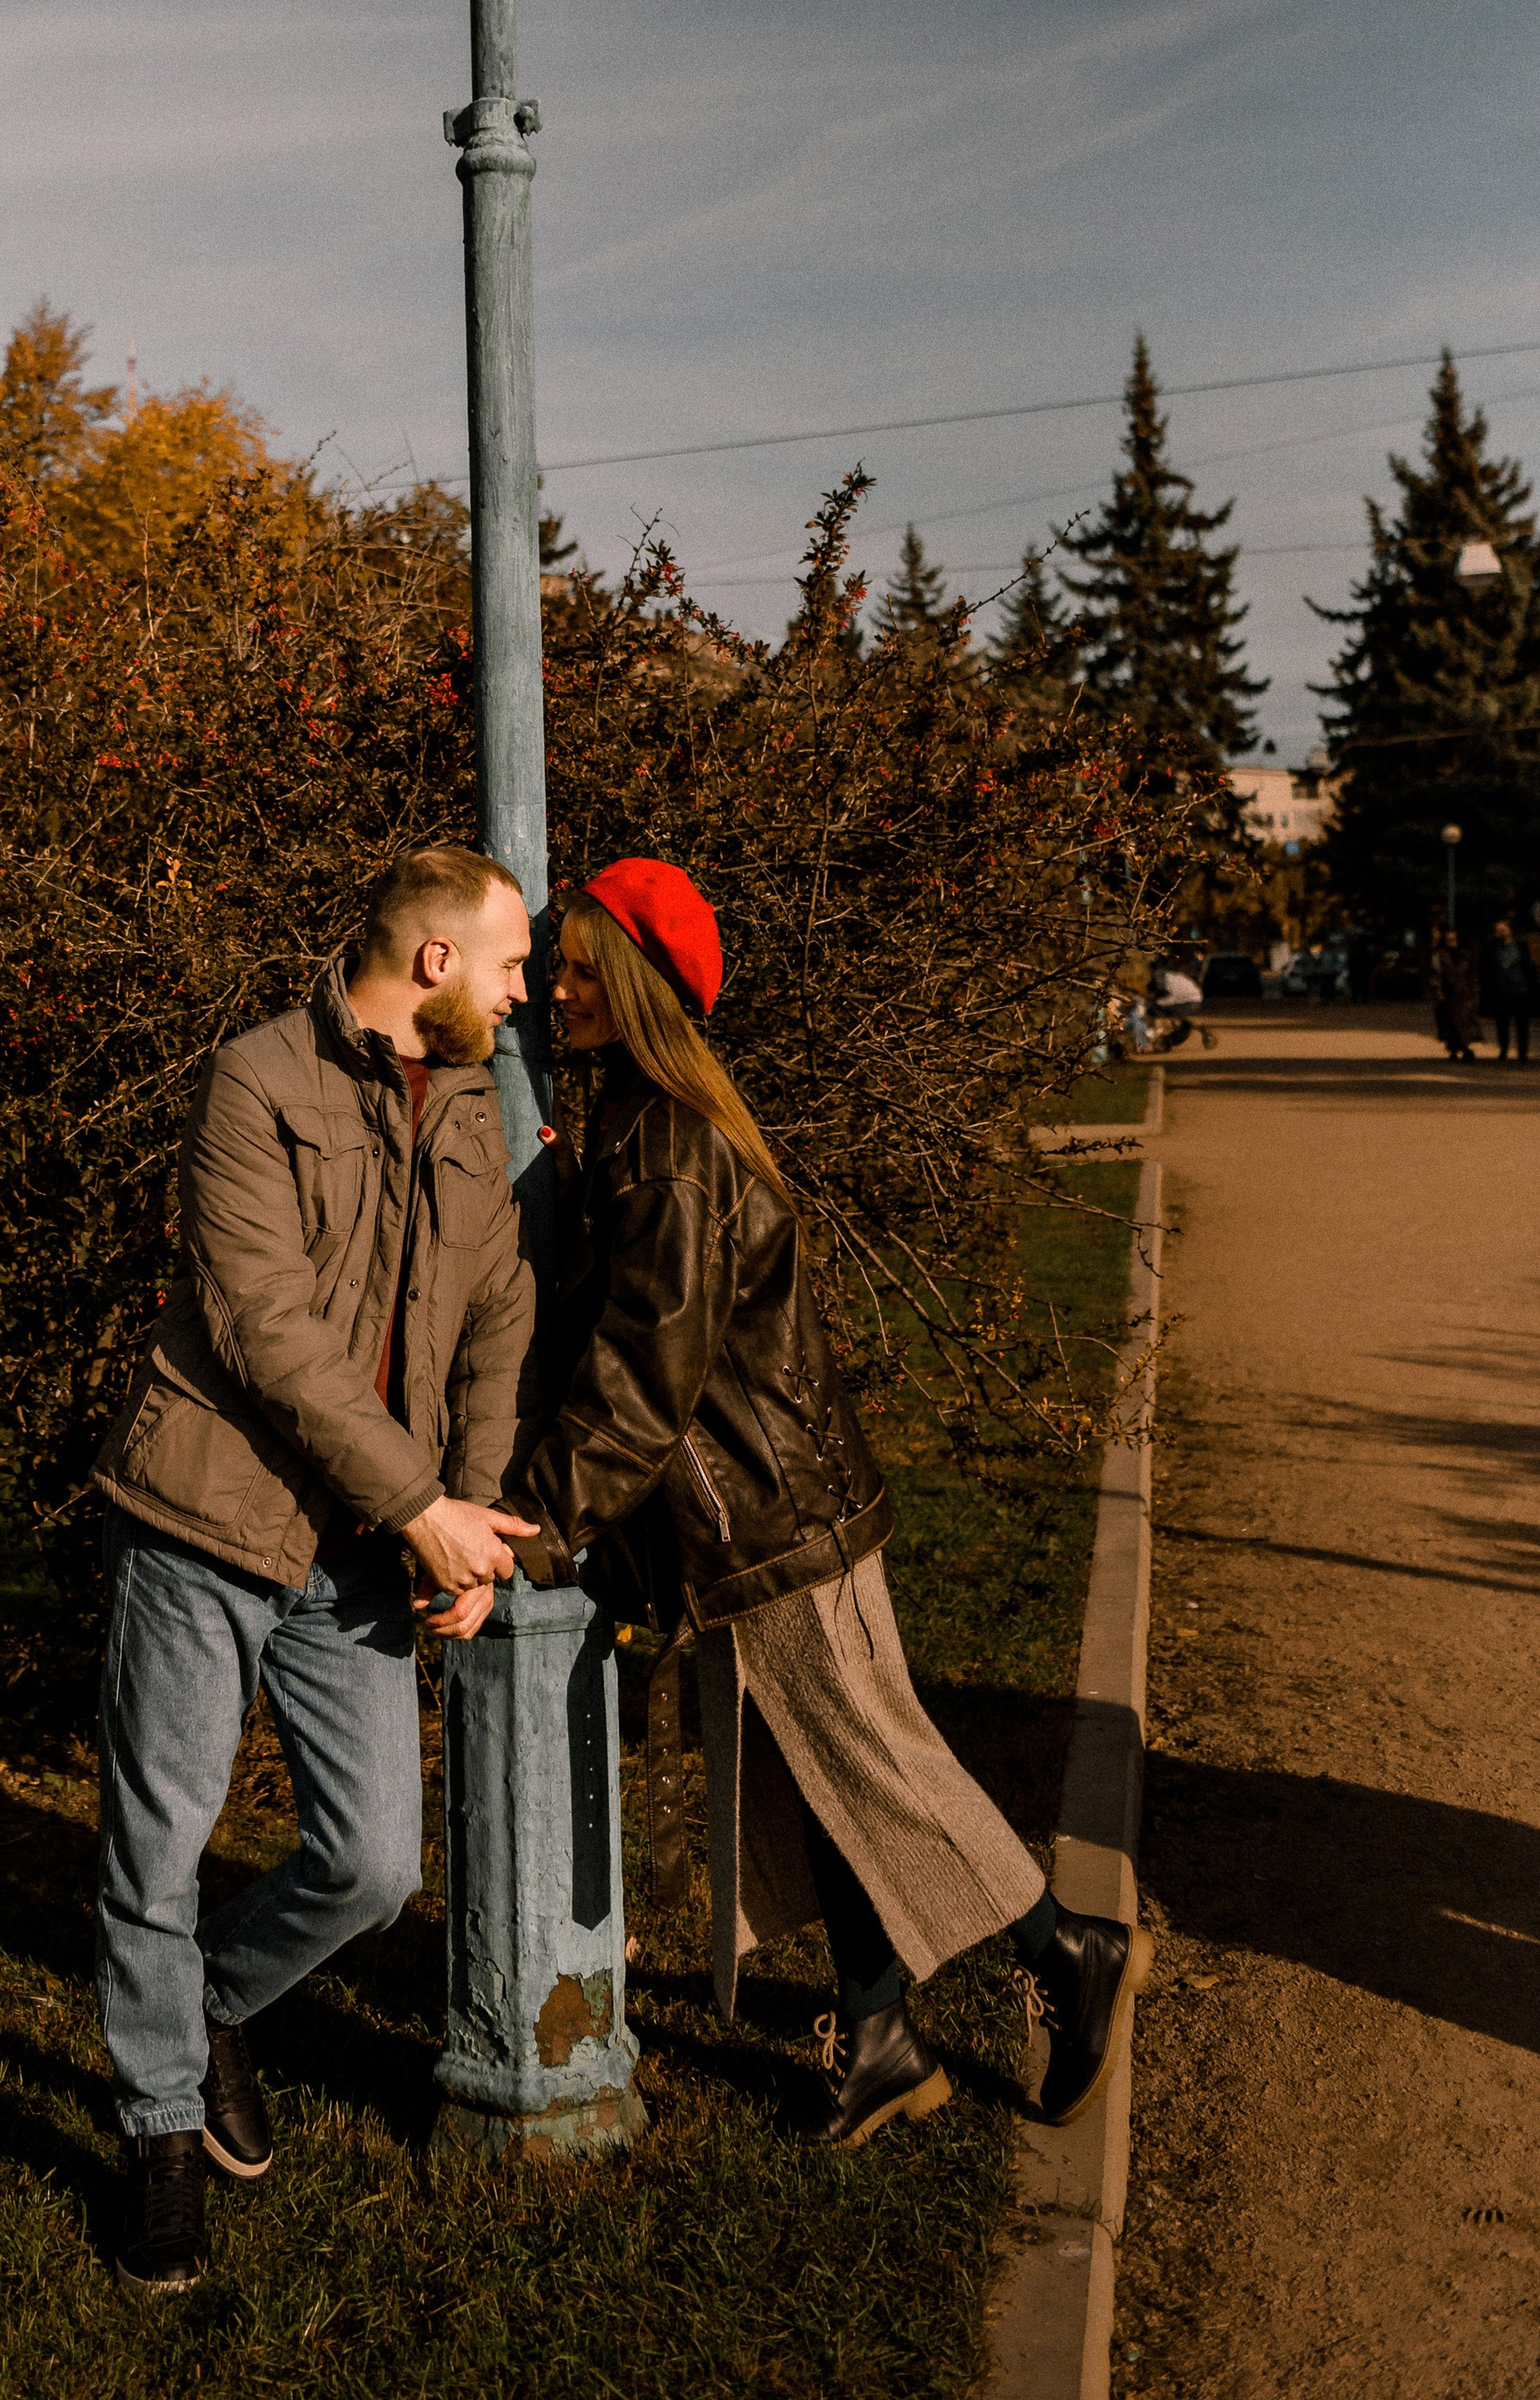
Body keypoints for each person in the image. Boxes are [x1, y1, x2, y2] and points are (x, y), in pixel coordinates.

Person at [520, 857, 1150, 2152]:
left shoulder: (669, 1147)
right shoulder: (650, 1120)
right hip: (767, 1511)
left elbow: (648, 1371)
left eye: (584, 965)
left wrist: (542, 1513)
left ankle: (1069, 1946)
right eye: (560, 961)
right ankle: (879, 2038)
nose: (559, 985)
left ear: (634, 984)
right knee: (830, 1779)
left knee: (878, 1765)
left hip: (770, 1522)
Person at [89, 847, 540, 2293]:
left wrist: (467, 1509)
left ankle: (203, 2010)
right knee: (157, 1848)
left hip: (360, 1557)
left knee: (370, 1867)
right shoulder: (256, 1084)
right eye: (511, 963)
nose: (525, 991)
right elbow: (264, 1329)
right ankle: (159, 2136)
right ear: (432, 966)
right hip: (206, 1526)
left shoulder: (471, 1104)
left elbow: (499, 1313)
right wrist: (424, 1509)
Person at [1480, 916, 1531, 1065]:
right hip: (1501, 991)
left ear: (1510, 930)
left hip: (1520, 990)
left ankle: (1522, 1053)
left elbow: (1528, 967)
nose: (1501, 932)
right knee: (1502, 1023)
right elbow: (1486, 968)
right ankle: (1504, 1049)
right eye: (1498, 930)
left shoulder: (1520, 946)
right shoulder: (1492, 947)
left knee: (1522, 1023)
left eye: (1504, 929)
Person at [1434, 928, 1482, 1065]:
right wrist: (1439, 991)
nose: (1452, 942)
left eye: (1454, 939)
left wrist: (1473, 992)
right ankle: (1454, 1048)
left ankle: (1464, 1047)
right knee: (1449, 1021)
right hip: (1448, 993)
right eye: (1449, 940)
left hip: (1464, 993)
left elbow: (1470, 974)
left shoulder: (1465, 955)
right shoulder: (1441, 955)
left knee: (1463, 1021)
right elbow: (1438, 974)